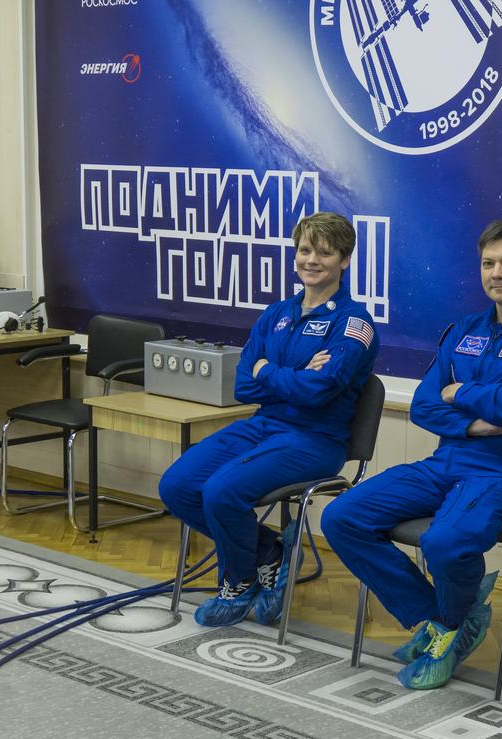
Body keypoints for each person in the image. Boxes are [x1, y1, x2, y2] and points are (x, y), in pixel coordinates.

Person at [321, 221, 502, 689]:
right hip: (446, 461)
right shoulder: (463, 331)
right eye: (488, 263)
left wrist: (460, 390)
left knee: (443, 542)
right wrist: (475, 421)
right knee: (343, 516)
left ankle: (448, 626)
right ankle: (443, 620)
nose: (496, 273)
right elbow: (424, 404)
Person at [158, 212, 378, 627]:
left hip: (315, 440)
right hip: (263, 426)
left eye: (324, 253)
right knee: (177, 486)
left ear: (344, 261)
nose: (311, 260)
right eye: (304, 250)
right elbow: (243, 384)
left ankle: (238, 583)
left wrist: (267, 370)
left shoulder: (354, 324)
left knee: (223, 490)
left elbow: (319, 392)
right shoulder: (276, 313)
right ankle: (268, 553)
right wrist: (287, 374)